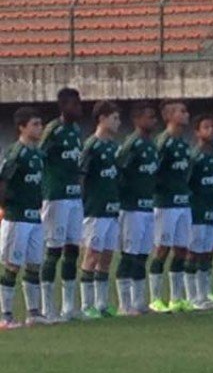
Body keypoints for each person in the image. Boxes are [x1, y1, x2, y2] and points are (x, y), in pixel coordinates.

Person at [40, 86, 84, 323]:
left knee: (72, 250)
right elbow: (40, 158)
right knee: (53, 250)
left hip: (75, 197)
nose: (79, 108)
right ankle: (48, 308)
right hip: (56, 196)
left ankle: (69, 307)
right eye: (75, 104)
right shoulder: (53, 130)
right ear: (64, 106)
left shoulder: (76, 130)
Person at [0, 107, 46, 328]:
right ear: (22, 127)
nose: (40, 128)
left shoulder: (38, 154)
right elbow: (3, 181)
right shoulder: (15, 153)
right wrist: (6, 207)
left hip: (35, 217)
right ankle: (6, 316)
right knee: (12, 266)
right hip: (17, 217)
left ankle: (33, 313)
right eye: (35, 124)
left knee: (34, 265)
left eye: (40, 124)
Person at [114, 102, 159, 315]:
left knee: (142, 254)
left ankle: (139, 302)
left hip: (148, 206)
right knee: (129, 255)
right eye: (149, 116)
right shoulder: (132, 144)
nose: (154, 120)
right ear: (137, 119)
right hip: (131, 208)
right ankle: (124, 304)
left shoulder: (151, 144)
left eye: (154, 117)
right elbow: (119, 171)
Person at [79, 101, 121, 319]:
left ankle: (102, 304)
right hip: (94, 210)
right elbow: (81, 177)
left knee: (107, 256)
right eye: (114, 118)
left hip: (112, 209)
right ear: (102, 119)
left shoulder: (114, 147)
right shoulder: (91, 146)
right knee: (92, 255)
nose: (118, 122)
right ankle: (87, 305)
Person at [149, 100, 192, 313]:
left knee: (182, 250)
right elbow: (153, 172)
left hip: (183, 202)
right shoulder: (162, 142)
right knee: (162, 249)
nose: (186, 114)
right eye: (181, 111)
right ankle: (155, 298)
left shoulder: (183, 143)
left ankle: (176, 298)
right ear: (169, 116)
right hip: (165, 204)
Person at [185, 113, 213, 310]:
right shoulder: (194, 156)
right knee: (193, 253)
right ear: (197, 132)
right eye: (206, 127)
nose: (211, 131)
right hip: (197, 211)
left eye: (212, 127)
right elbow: (187, 183)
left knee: (207, 253)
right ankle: (192, 297)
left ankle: (204, 294)